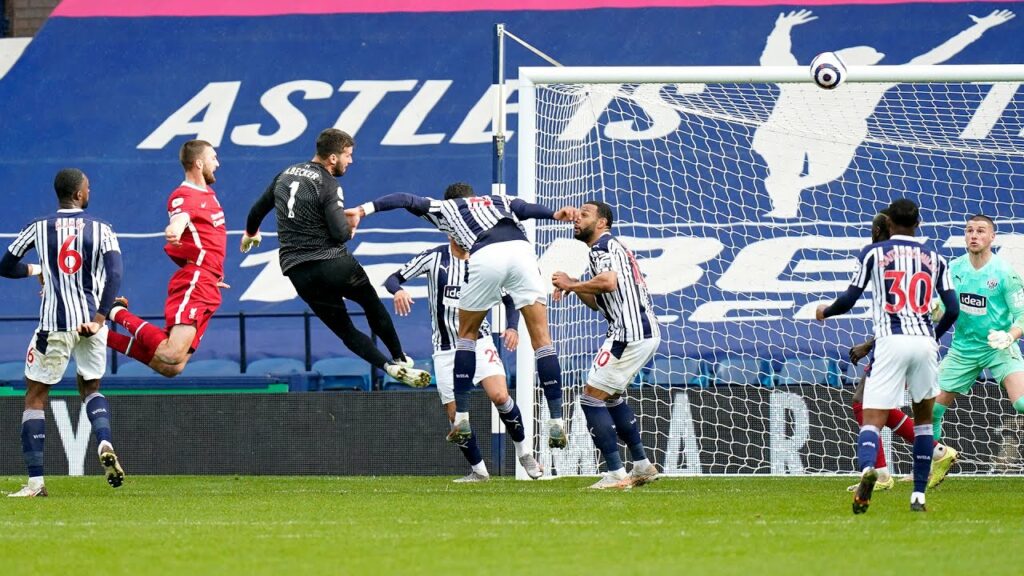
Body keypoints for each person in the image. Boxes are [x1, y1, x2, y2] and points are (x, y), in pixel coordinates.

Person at [346, 183, 577, 447]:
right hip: (522, 253)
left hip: (486, 254)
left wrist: (362, 210)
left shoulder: (448, 207)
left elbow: (405, 198)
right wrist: (553, 214)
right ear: (474, 195)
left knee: (466, 335)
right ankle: (556, 419)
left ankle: (463, 417)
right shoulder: (499, 199)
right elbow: (525, 208)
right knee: (543, 341)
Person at [754, 9, 1014, 218]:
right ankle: (784, 208)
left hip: (837, 136)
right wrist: (781, 28)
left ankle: (791, 189)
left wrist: (977, 28)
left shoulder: (873, 82)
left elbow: (931, 59)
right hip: (788, 129)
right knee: (782, 167)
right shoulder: (801, 80)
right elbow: (774, 58)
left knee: (822, 175)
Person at [241, 129, 429, 386]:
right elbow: (340, 234)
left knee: (345, 329)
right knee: (371, 304)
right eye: (347, 155)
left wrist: (251, 233)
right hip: (334, 263)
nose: (350, 160)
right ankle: (399, 356)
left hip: (299, 272)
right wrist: (351, 227)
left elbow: (256, 211)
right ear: (332, 158)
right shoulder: (328, 184)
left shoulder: (284, 175)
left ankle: (388, 366)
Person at [816, 198, 959, 513]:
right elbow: (953, 309)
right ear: (918, 224)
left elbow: (849, 299)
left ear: (889, 223)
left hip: (890, 342)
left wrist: (825, 311)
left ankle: (872, 469)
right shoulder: (937, 259)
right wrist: (932, 336)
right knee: (924, 421)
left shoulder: (873, 254)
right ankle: (918, 496)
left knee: (870, 418)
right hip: (924, 343)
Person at [0, 169, 125, 496]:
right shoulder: (102, 229)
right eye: (88, 187)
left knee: (35, 395)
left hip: (54, 325)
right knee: (91, 387)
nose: (89, 191)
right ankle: (104, 441)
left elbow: (5, 266)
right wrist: (99, 318)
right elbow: (115, 274)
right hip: (91, 323)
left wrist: (37, 269)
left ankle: (36, 483)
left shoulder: (38, 227)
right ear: (80, 194)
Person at [384, 237, 544, 481]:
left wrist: (512, 327)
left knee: (500, 396)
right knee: (455, 416)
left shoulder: (485, 262)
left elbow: (509, 299)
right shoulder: (434, 257)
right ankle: (479, 471)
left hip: (480, 342)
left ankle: (524, 454)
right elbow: (392, 279)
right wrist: (398, 290)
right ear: (450, 232)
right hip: (446, 349)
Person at [551, 201, 660, 490]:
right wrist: (575, 285)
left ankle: (615, 473)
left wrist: (571, 284)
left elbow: (608, 282)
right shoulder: (611, 249)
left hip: (628, 334)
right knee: (610, 398)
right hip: (641, 331)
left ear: (602, 223)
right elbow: (598, 302)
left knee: (591, 399)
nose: (577, 219)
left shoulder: (602, 247)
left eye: (584, 215)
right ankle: (642, 465)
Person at [102, 140, 229, 377]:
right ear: (199, 163)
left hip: (208, 280)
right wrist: (174, 229)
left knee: (172, 367)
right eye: (213, 158)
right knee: (170, 354)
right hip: (197, 281)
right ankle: (115, 311)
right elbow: (180, 218)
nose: (218, 163)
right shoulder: (184, 195)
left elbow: (206, 239)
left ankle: (101, 335)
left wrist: (213, 272)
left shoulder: (209, 194)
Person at [928, 214, 1024, 488]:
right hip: (963, 349)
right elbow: (945, 306)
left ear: (992, 237)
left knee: (1021, 403)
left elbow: (1022, 316)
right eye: (969, 230)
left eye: (981, 231)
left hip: (998, 346)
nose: (974, 235)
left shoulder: (1005, 273)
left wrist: (1009, 336)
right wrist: (936, 309)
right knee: (931, 409)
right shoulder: (954, 268)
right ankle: (929, 466)